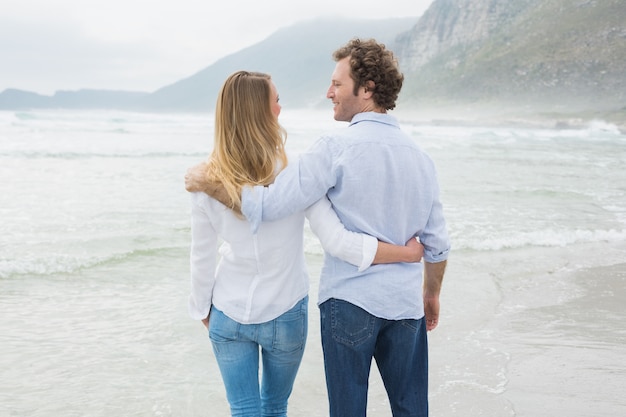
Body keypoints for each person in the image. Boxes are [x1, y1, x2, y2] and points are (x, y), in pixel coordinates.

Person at [188, 70, 425, 417]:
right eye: (277, 100)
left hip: (228, 308)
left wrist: (202, 311)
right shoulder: (296, 171)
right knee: (274, 407)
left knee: (243, 410)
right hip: (285, 312)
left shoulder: (204, 178)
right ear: (264, 112)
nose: (281, 108)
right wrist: (405, 253)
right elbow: (337, 241)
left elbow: (201, 257)